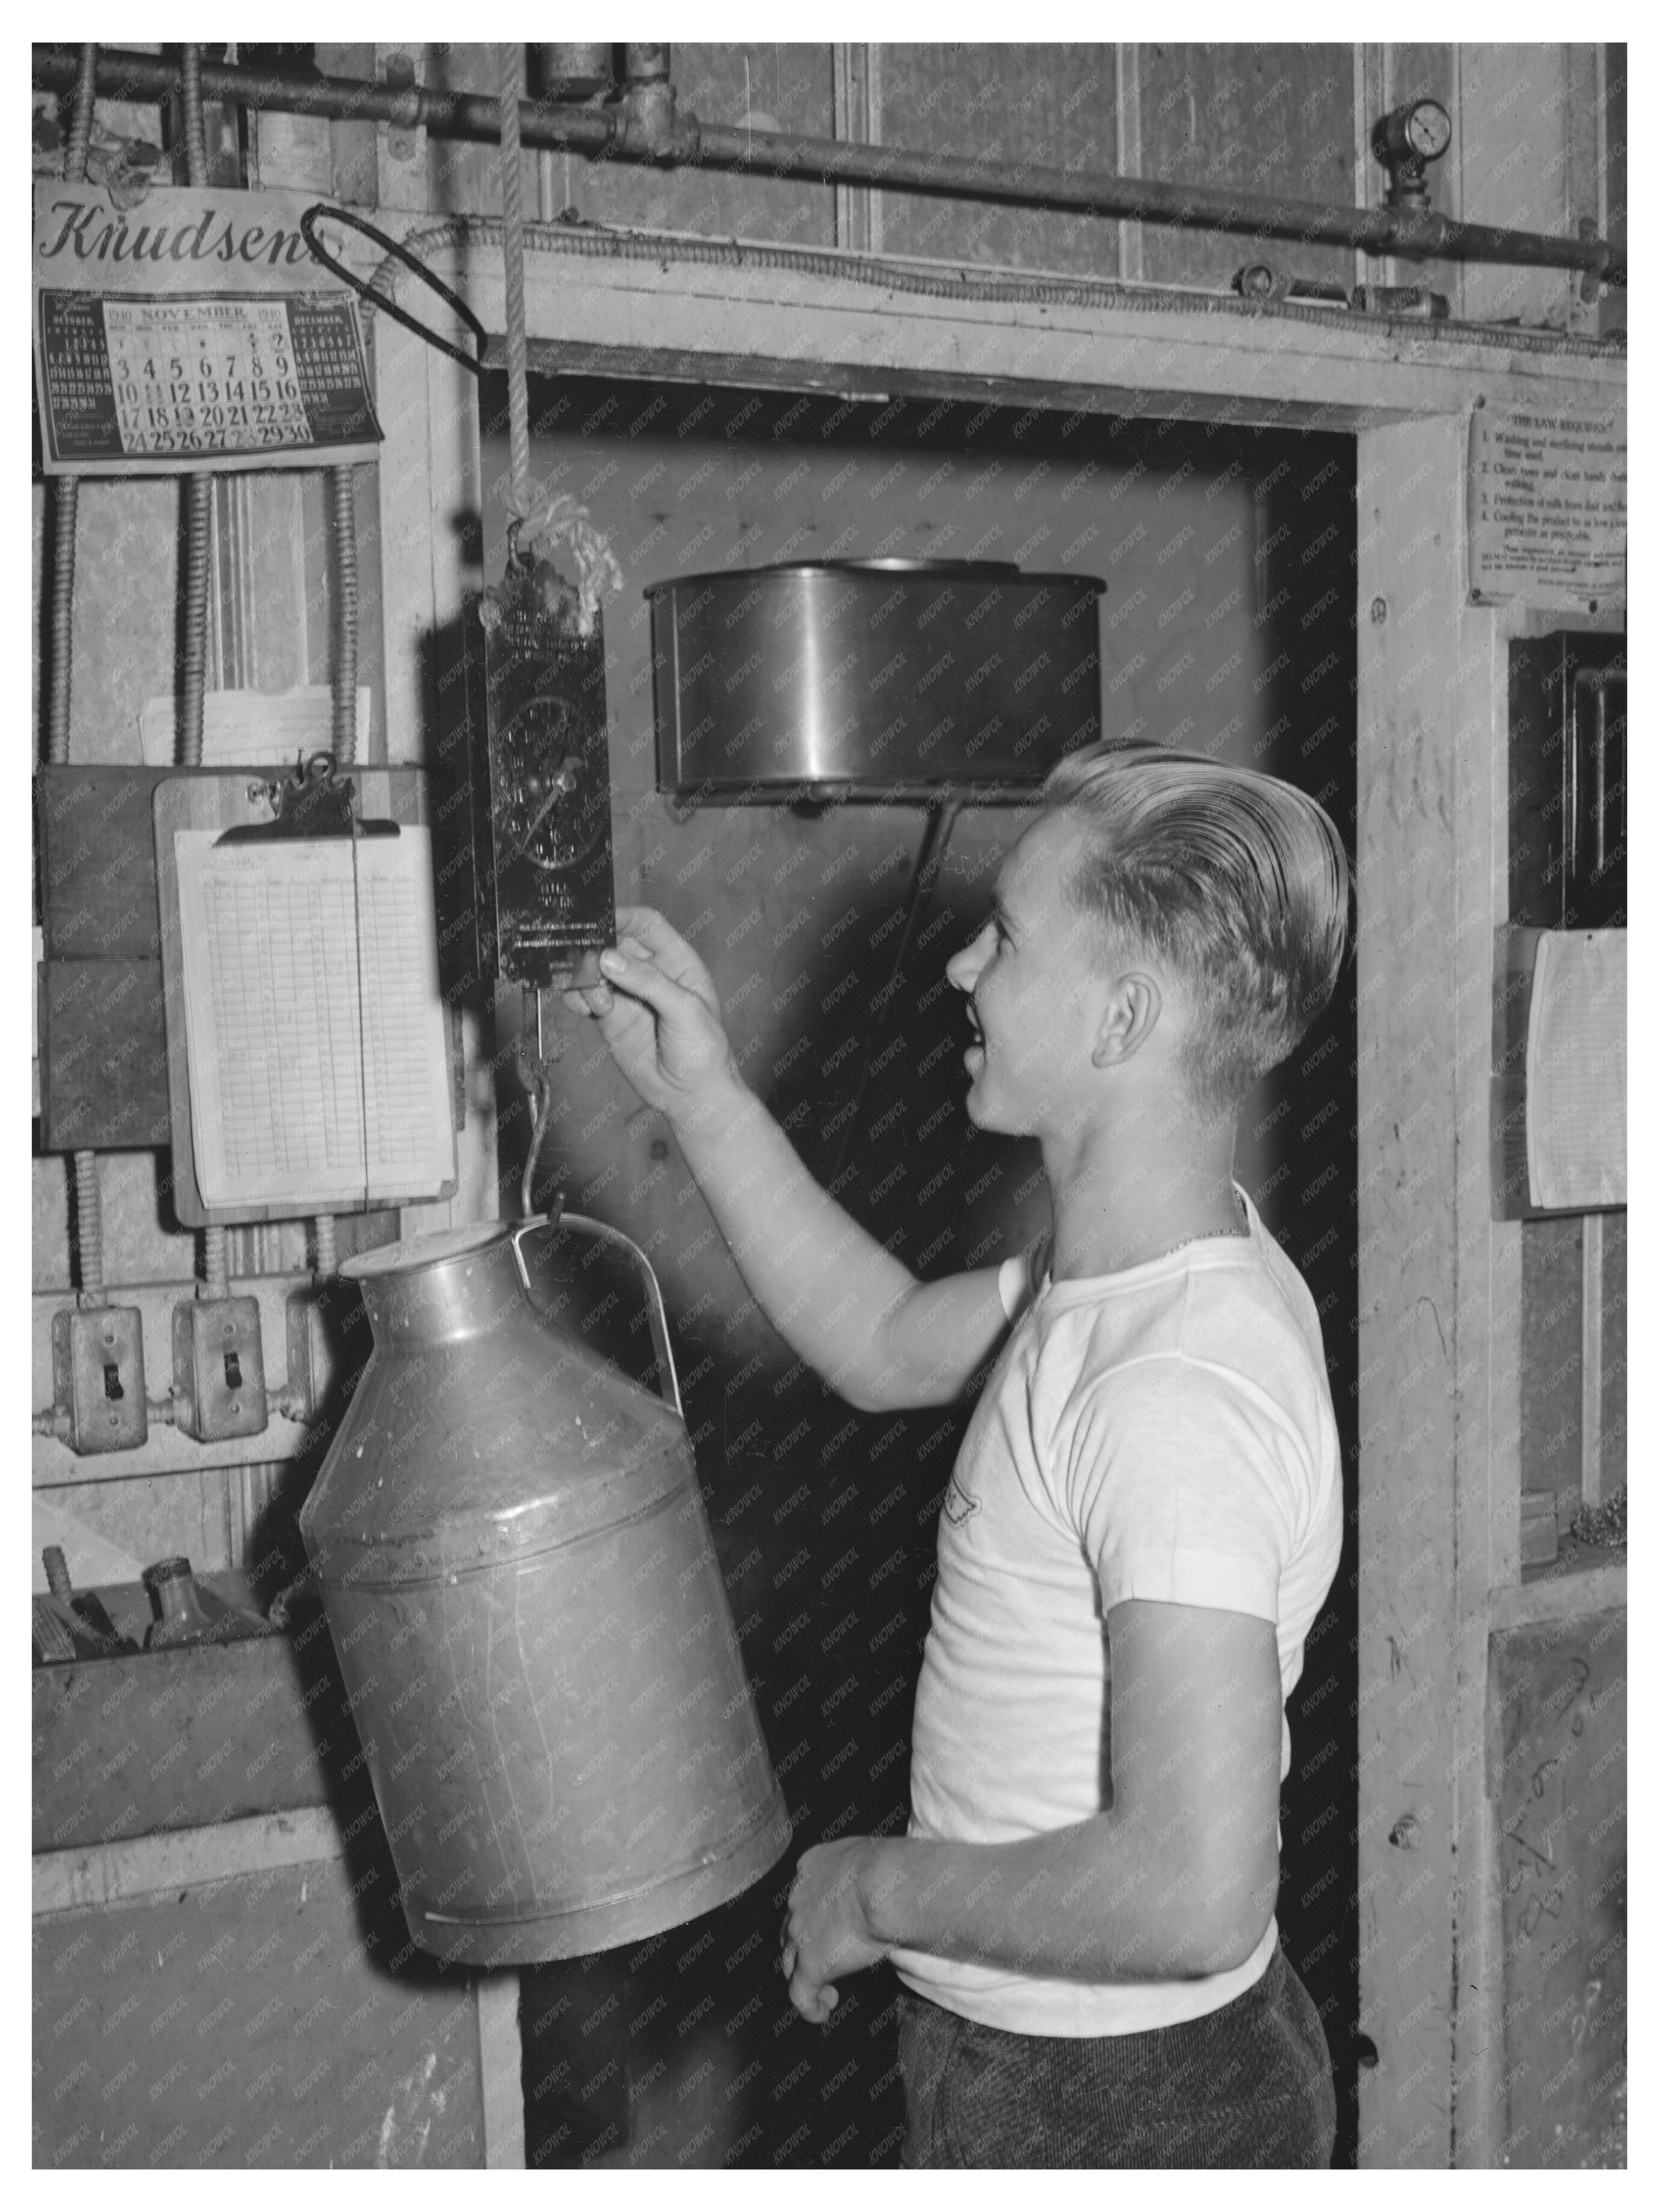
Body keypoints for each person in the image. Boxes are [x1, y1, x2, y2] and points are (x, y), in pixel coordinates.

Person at [564, 740, 1349, 2167]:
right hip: (1061, 2067)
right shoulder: (1125, 1279)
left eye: (1008, 937)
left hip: (1109, 2105)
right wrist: (700, 1097)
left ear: (1120, 1017)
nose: (960, 970)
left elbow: (1193, 1894)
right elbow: (876, 1337)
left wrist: (870, 1891)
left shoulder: (1168, 1389)